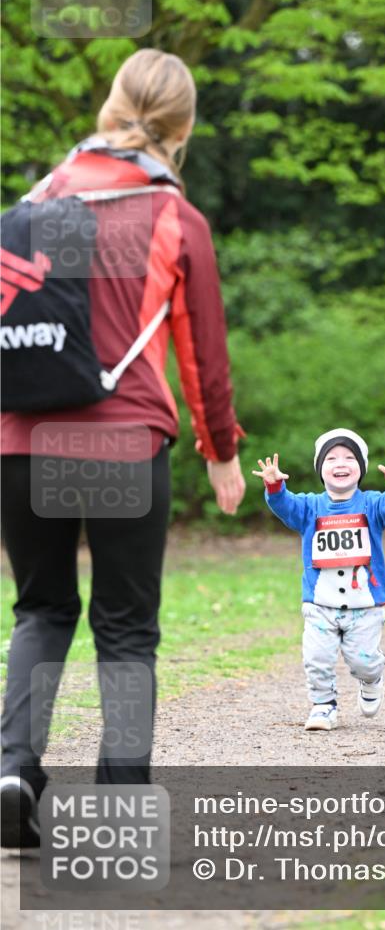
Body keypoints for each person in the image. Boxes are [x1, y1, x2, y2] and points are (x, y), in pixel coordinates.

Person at [0, 48, 246, 848]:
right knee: (126, 627)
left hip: (22, 443)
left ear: (110, 108)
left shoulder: (38, 201)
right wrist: (221, 452)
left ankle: (13, 771)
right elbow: (202, 352)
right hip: (122, 443)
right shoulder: (174, 217)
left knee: (41, 607)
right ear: (183, 127)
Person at [253, 428, 385, 731]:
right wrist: (274, 487)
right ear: (320, 469)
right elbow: (285, 506)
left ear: (360, 469)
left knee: (362, 660)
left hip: (365, 604)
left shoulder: (372, 505)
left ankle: (372, 676)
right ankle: (323, 706)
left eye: (349, 458)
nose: (340, 463)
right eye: (331, 458)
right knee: (316, 658)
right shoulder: (309, 507)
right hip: (320, 604)